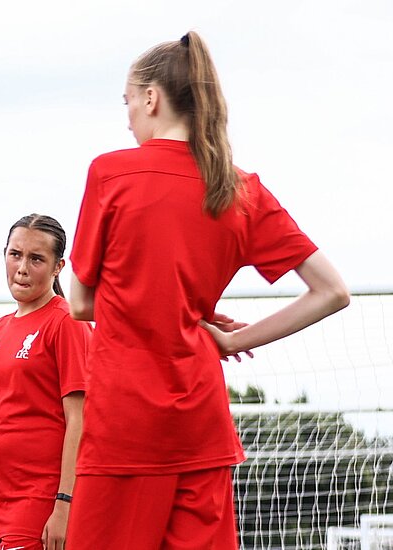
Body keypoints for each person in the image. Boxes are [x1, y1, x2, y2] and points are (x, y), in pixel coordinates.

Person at [66, 31, 349, 549]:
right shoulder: (240, 187)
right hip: (203, 426)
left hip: (125, 427)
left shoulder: (111, 173)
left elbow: (81, 302)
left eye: (127, 101)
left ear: (151, 98)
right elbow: (332, 291)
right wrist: (229, 340)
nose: (126, 115)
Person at [0, 215, 88, 550]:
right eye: (15, 254)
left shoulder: (67, 322)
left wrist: (63, 504)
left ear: (58, 266)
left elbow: (80, 418)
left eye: (36, 259)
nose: (22, 268)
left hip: (40, 501)